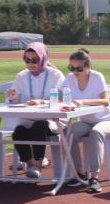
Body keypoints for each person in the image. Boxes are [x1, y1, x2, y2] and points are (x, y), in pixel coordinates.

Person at [62, 49, 110, 194]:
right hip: (87, 121)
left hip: (108, 121)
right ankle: (79, 172)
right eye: (72, 68)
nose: (75, 72)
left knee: (97, 131)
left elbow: (105, 101)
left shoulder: (97, 76)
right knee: (66, 132)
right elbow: (58, 95)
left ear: (88, 67)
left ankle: (94, 177)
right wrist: (41, 101)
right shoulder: (69, 78)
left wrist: (83, 101)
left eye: (79, 68)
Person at [7, 43, 66, 179]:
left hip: (53, 119)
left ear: (44, 58)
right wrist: (12, 98)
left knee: (39, 127)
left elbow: (61, 99)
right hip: (28, 118)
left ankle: (39, 166)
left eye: (35, 60)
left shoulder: (56, 75)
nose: (31, 63)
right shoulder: (21, 76)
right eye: (27, 60)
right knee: (18, 132)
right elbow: (14, 101)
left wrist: (43, 102)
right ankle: (31, 165)